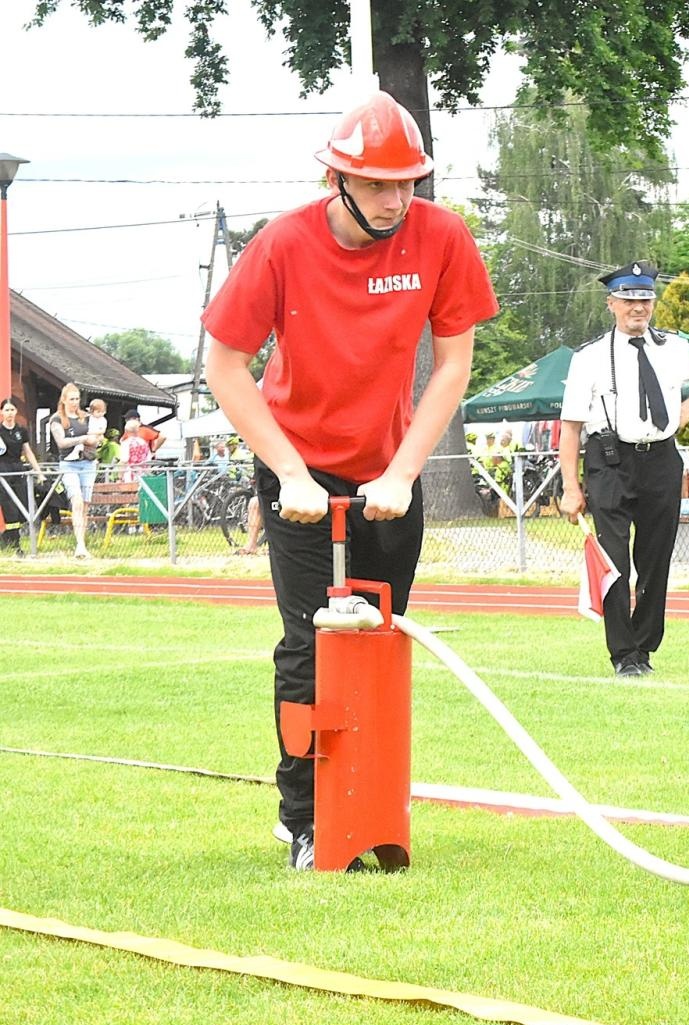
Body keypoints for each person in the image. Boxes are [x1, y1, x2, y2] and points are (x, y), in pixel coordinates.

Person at [201, 90, 499, 870]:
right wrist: (288, 472)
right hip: (299, 467)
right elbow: (224, 367)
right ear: (337, 180)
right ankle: (303, 813)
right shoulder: (282, 245)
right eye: (377, 185)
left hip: (389, 473)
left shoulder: (442, 238)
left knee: (378, 639)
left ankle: (370, 797)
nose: (396, 200)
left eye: (408, 183)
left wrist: (405, 469)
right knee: (311, 642)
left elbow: (455, 363)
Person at [558, 260, 689, 678]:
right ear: (612, 303)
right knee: (615, 560)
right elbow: (571, 425)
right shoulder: (590, 357)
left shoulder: (676, 346)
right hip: (609, 461)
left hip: (660, 459)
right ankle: (623, 654)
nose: (638, 307)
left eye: (645, 299)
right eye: (629, 299)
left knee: (655, 558)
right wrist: (569, 487)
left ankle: (645, 648)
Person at [46, 382, 103, 559]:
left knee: (85, 504)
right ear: (64, 400)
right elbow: (61, 442)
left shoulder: (86, 417)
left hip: (88, 462)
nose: (75, 402)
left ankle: (82, 543)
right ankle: (79, 545)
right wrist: (83, 439)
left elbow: (98, 437)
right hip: (69, 464)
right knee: (76, 500)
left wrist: (93, 440)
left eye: (77, 398)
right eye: (71, 399)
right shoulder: (56, 419)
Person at [0, 398, 46, 554]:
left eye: (12, 410)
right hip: (3, 471)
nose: (9, 413)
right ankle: (15, 545)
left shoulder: (21, 431)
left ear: (16, 411)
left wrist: (39, 472)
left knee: (22, 508)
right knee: (9, 510)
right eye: (6, 410)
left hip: (18, 469)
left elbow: (28, 452)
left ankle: (6, 538)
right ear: (1, 412)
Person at [119, 412, 155, 479]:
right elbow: (148, 458)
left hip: (130, 474)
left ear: (126, 430)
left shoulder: (126, 443)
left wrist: (120, 476)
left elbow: (124, 460)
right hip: (144, 474)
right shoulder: (143, 442)